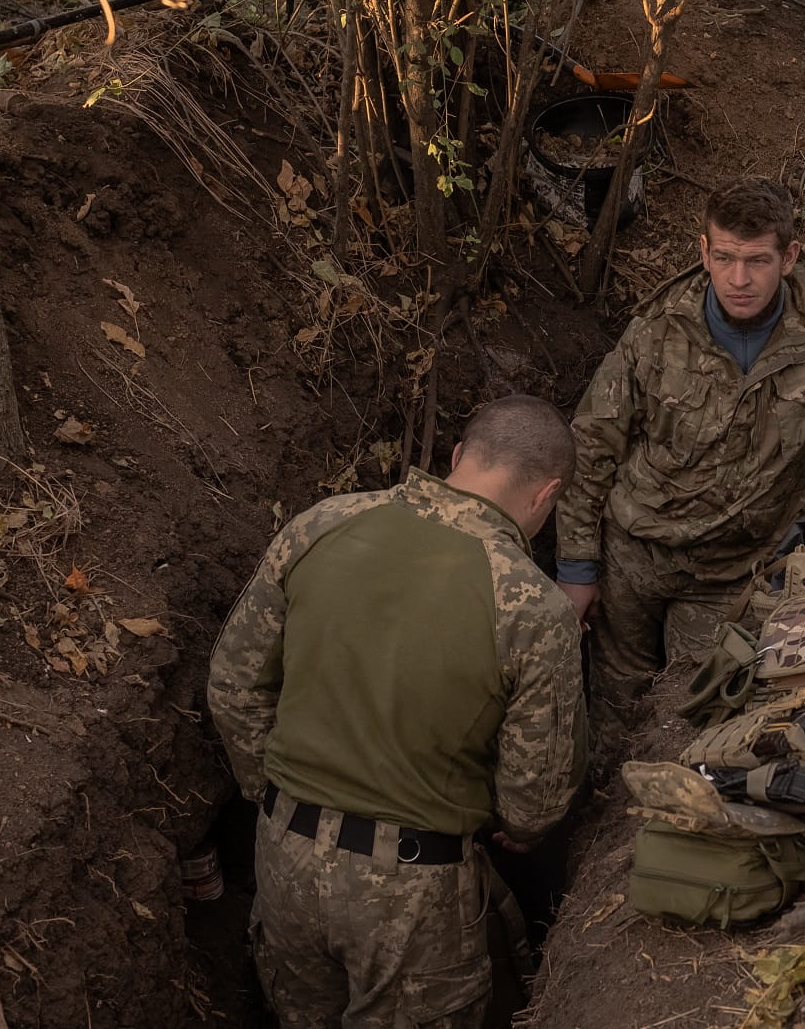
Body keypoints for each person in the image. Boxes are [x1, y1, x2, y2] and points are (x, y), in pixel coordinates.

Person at [208, 395, 585, 1029]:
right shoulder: (533, 606)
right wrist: (518, 831)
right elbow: (535, 800)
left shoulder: (320, 525)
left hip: (282, 856)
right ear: (547, 494)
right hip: (414, 894)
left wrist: (271, 792)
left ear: (459, 456)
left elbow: (232, 685)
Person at [554, 176, 805, 746]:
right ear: (703, 251)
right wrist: (577, 568)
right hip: (633, 554)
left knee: (687, 716)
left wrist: (783, 576)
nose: (739, 279)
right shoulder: (654, 332)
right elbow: (593, 445)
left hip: (732, 574)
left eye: (757, 261)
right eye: (724, 258)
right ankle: (590, 819)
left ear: (790, 257)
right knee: (608, 709)